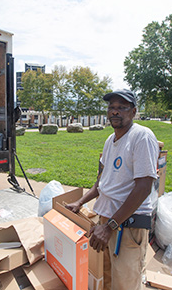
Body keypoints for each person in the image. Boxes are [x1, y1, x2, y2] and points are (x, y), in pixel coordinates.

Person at [65, 90, 159, 290]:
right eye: (111, 107)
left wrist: (110, 227)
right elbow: (102, 182)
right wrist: (80, 202)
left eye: (121, 108)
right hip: (107, 222)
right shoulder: (110, 141)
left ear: (133, 112)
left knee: (125, 284)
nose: (115, 112)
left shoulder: (141, 137)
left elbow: (144, 187)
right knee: (107, 280)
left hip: (127, 226)